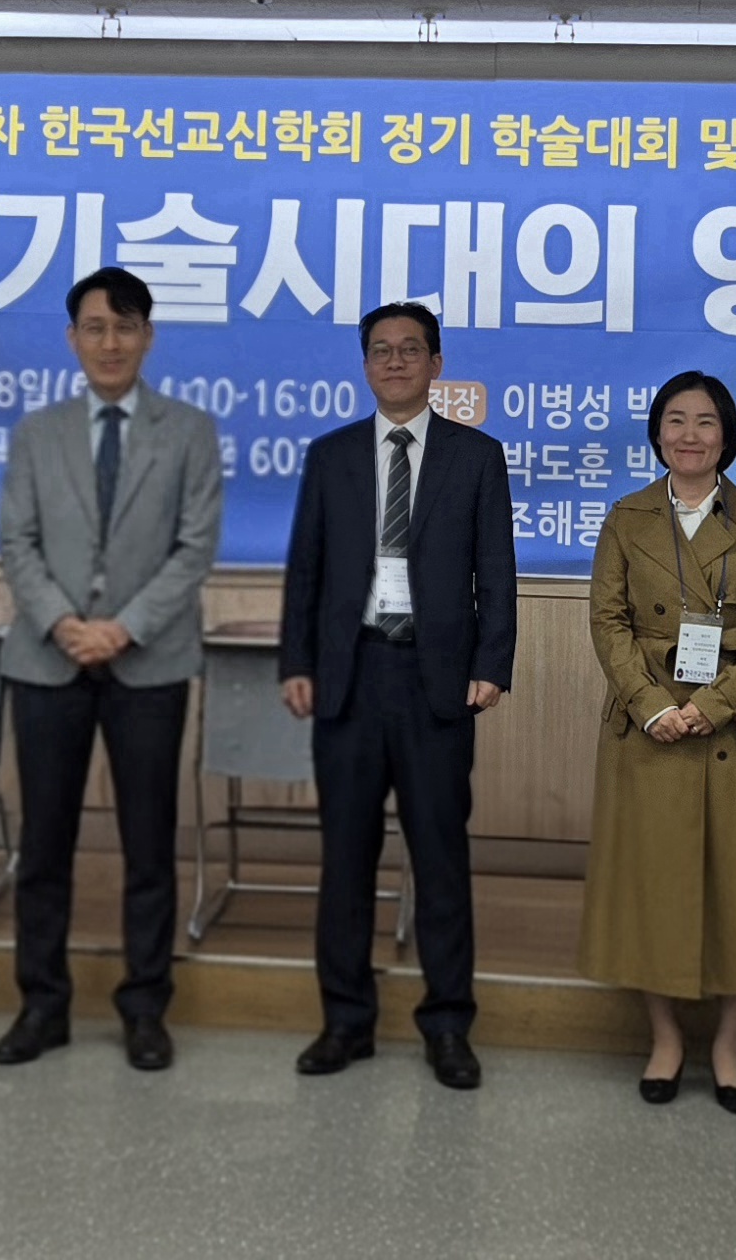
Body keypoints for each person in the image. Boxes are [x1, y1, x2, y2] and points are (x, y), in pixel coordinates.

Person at [279, 302, 516, 1091]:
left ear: (436, 364)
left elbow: (496, 569)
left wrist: (493, 662)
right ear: (365, 364)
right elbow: (306, 571)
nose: (394, 362)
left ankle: (447, 1026)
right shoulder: (332, 456)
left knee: (441, 860)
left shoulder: (476, 457)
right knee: (345, 860)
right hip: (349, 679)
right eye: (380, 350)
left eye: (410, 349)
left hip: (435, 681)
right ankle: (345, 1022)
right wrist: (296, 662)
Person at [0, 268, 223, 1072]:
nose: (111, 342)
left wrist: (122, 629)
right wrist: (64, 623)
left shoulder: (188, 431)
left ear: (148, 336)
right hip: (46, 660)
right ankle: (42, 1005)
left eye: (126, 327)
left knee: (149, 847)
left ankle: (145, 1008)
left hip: (149, 663)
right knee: (43, 846)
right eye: (95, 327)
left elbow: (194, 548)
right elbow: (16, 542)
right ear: (72, 338)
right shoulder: (37, 432)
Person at [577, 371, 736, 1114]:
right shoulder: (626, 517)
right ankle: (666, 1039)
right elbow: (607, 621)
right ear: (657, 433)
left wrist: (711, 705)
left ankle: (730, 1043)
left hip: (734, 730)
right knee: (653, 887)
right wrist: (653, 705)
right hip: (647, 727)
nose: (689, 435)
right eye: (676, 420)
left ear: (727, 436)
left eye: (705, 421)